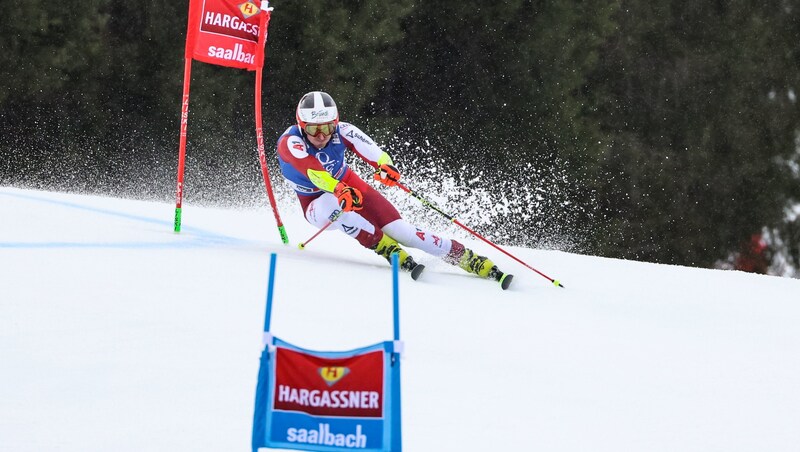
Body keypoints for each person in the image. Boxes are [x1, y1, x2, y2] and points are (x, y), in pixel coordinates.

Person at [276, 91, 512, 289]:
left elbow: (371, 149)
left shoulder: (342, 130)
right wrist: (338, 189)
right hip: (315, 202)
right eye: (314, 129)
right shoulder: (290, 142)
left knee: (401, 231)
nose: (321, 136)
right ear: (301, 125)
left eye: (327, 128)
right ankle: (385, 247)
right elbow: (312, 172)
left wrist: (385, 166)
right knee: (332, 206)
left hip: (347, 184)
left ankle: (465, 257)